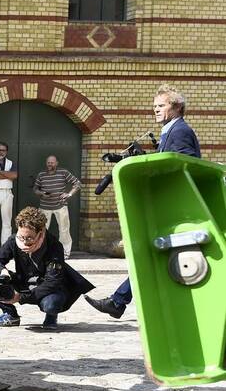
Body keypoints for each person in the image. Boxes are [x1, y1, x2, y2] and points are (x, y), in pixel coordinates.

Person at [85, 85, 201, 318]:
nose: (156, 110)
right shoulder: (170, 131)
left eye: (161, 106)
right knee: (153, 256)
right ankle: (120, 302)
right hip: (169, 204)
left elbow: (185, 164)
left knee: (154, 256)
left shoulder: (179, 131)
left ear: (177, 107)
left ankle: (121, 302)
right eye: (155, 106)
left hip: (174, 206)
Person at [0, 207, 94, 330]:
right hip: (24, 283)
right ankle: (10, 314)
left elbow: (53, 282)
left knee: (51, 304)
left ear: (40, 232)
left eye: (29, 238)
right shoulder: (14, 240)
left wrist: (20, 298)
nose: (25, 242)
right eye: (22, 237)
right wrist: (2, 270)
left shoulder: (54, 246)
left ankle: (51, 317)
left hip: (48, 288)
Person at [32, 155, 81, 257]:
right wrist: (41, 193)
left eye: (52, 162)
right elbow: (35, 189)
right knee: (41, 230)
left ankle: (65, 253)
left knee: (64, 230)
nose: (50, 164)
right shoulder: (41, 175)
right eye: (48, 162)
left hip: (61, 206)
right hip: (44, 206)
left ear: (56, 163)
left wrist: (69, 194)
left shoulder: (63, 172)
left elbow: (77, 183)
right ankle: (41, 251)